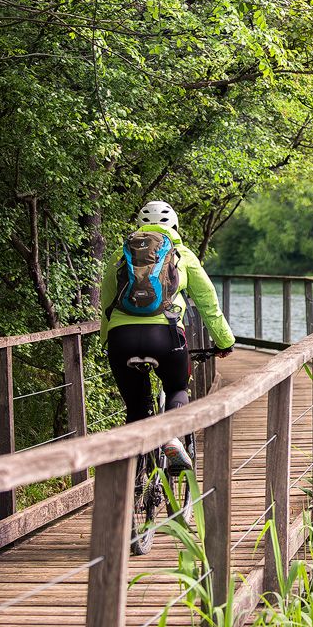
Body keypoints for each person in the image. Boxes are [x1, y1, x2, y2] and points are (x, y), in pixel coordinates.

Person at [99, 200, 235, 470]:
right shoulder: (182, 254)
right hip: (166, 336)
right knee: (176, 388)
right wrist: (224, 341)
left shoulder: (120, 254)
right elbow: (208, 302)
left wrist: (107, 339)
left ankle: (130, 476)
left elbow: (105, 301)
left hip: (121, 338)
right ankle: (171, 437)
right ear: (175, 226)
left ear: (140, 225)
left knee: (136, 408)